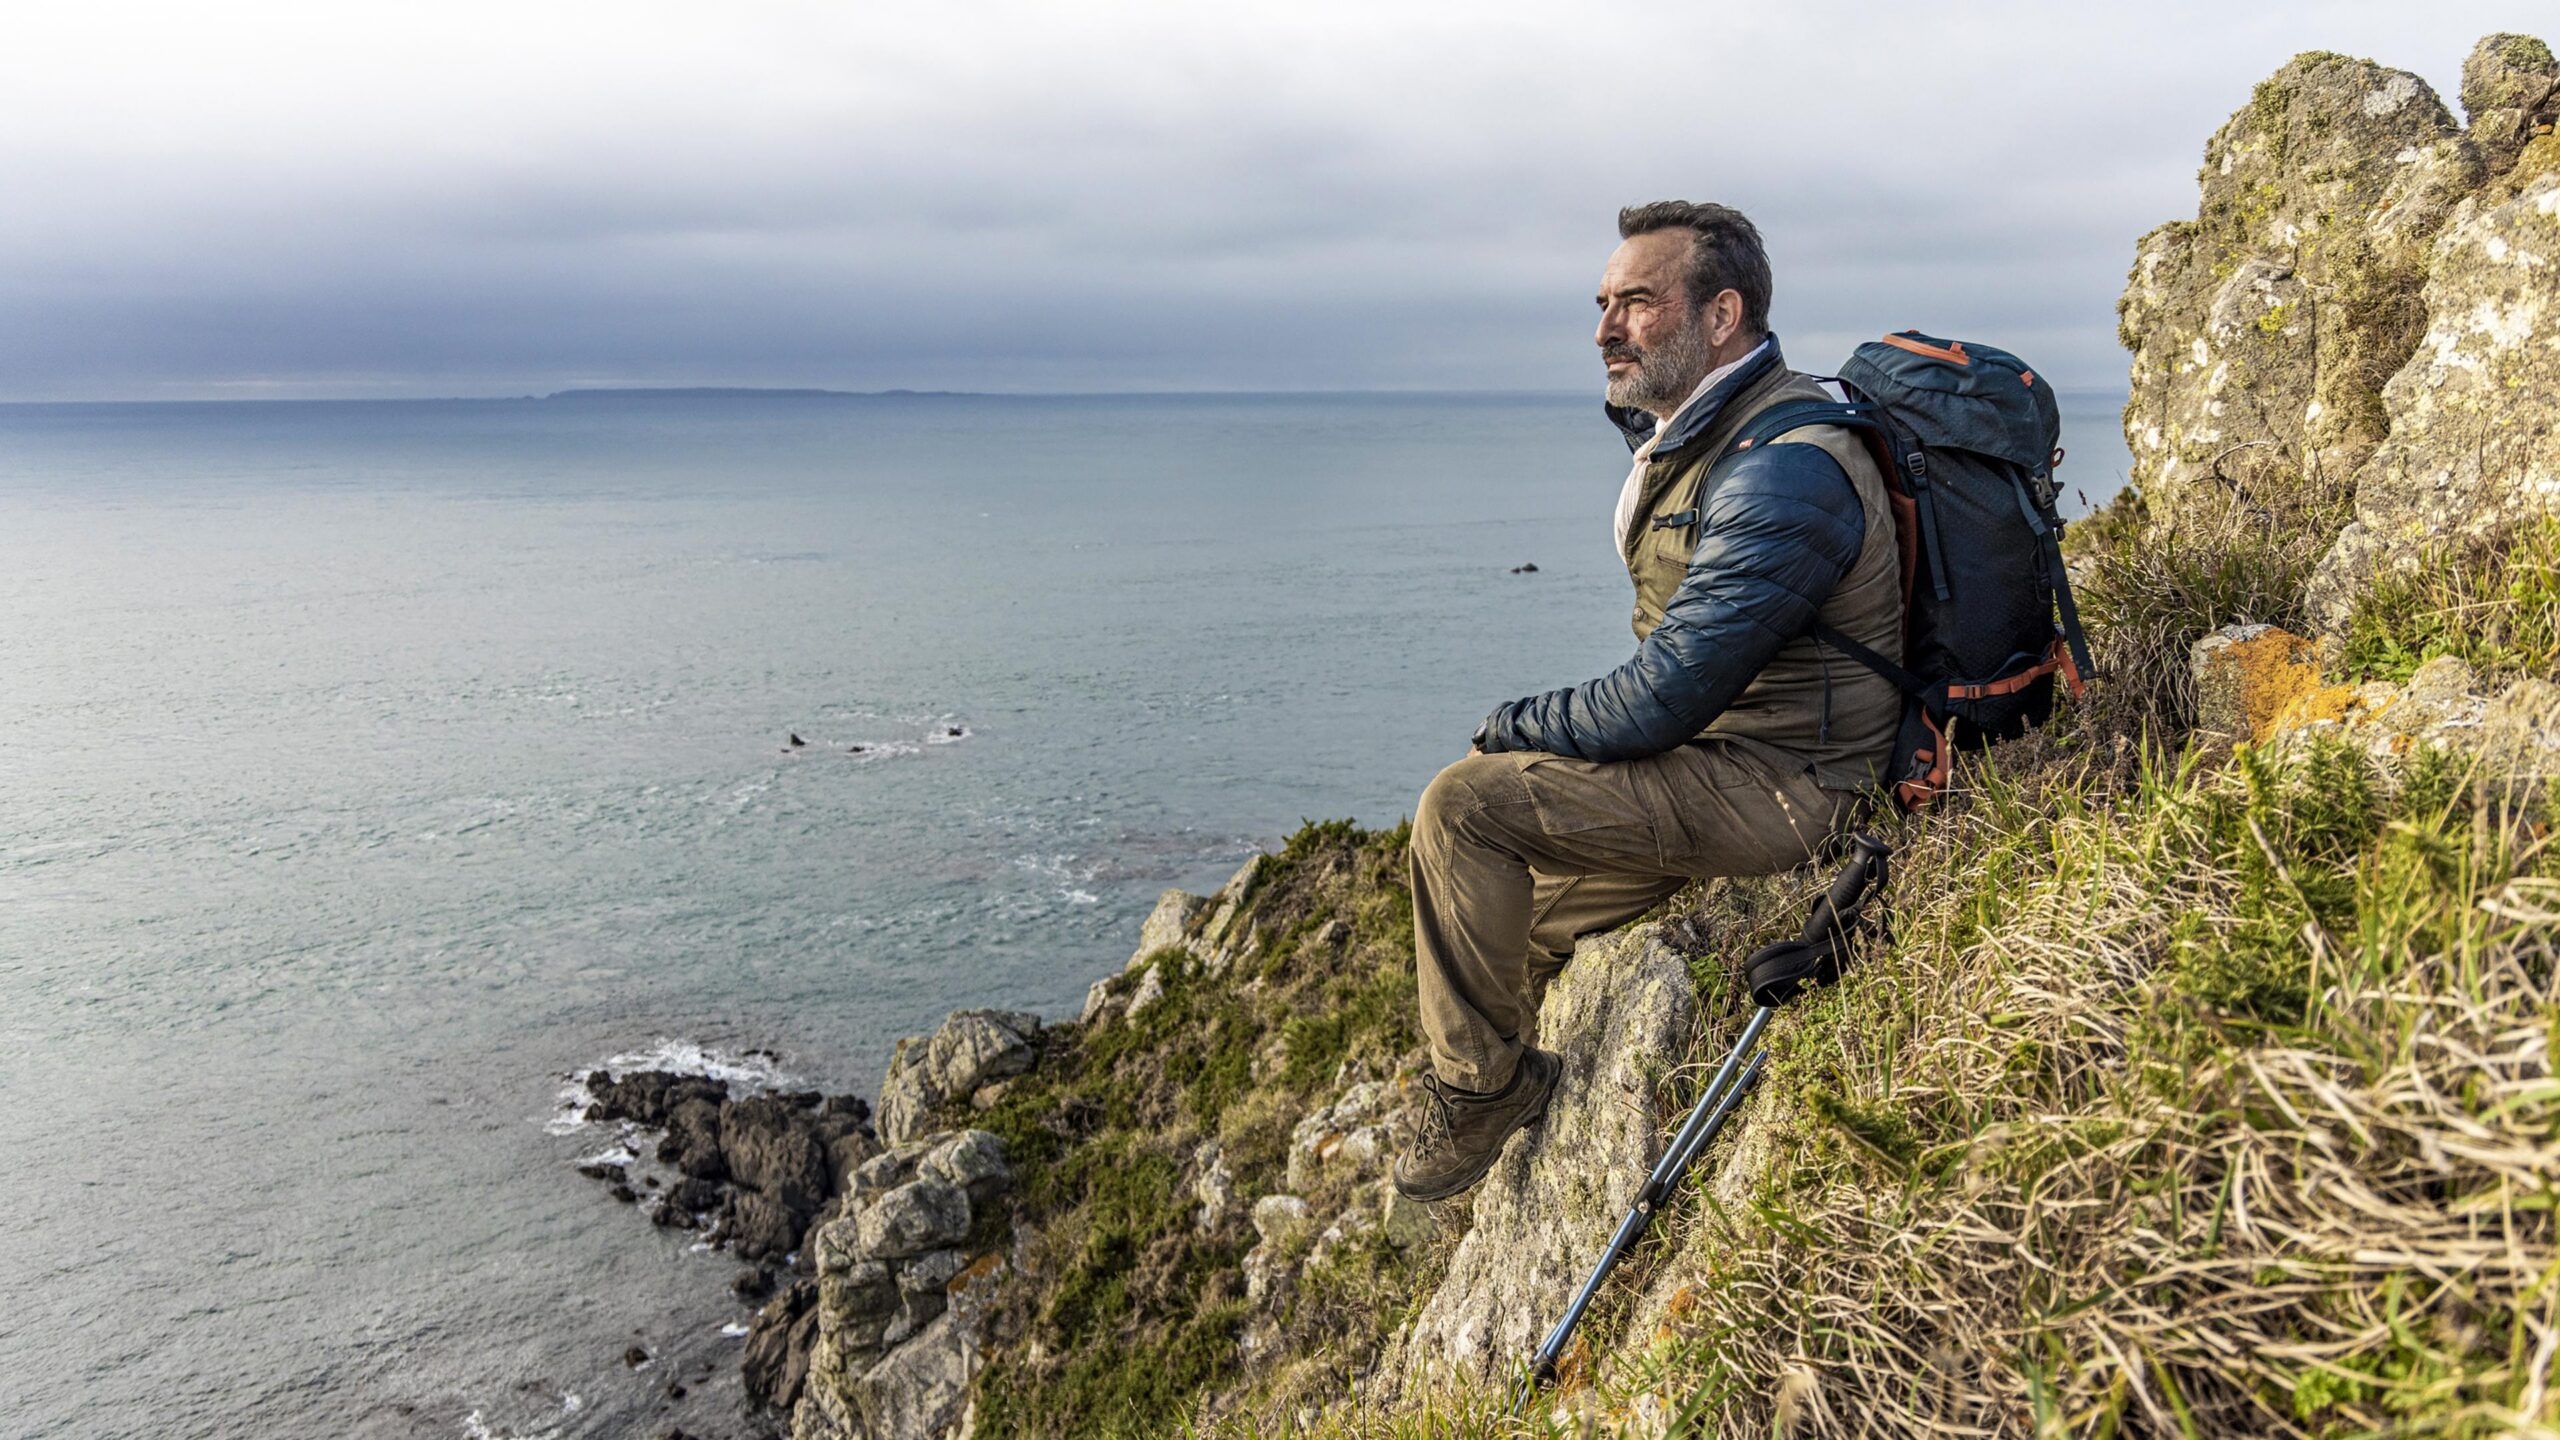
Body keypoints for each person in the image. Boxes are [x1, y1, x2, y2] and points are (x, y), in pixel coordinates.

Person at [1391, 201, 1905, 1201]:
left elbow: (1662, 698)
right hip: (1725, 756)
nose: (1604, 329)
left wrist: (1512, 726)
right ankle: (1515, 1111)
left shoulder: (1784, 468)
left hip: (1788, 784)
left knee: (1462, 809)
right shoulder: (1705, 432)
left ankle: (1481, 1093)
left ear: (1721, 315)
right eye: (1601, 303)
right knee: (1504, 928)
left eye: (1635, 302)